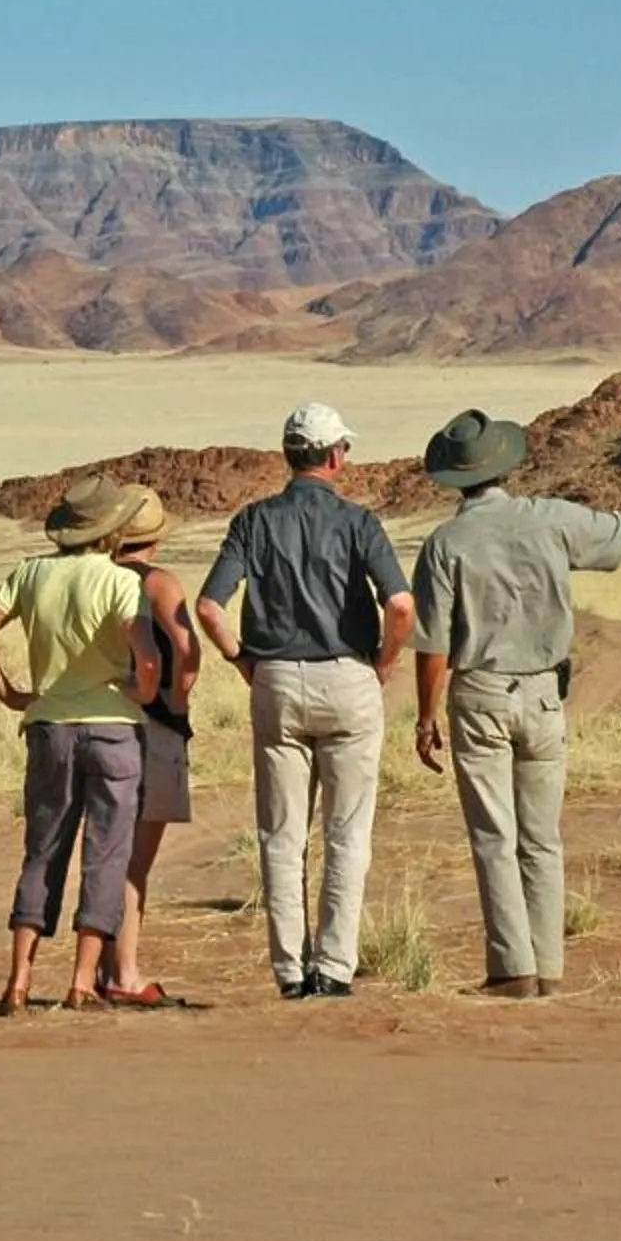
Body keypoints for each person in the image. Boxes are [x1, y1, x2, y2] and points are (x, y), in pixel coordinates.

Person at [410, 409, 621, 999]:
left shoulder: (444, 545)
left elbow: (434, 644)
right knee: (541, 838)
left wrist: (425, 716)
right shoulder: (551, 519)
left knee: (495, 835)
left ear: (452, 478)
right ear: (503, 465)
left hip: (482, 695)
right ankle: (548, 968)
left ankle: (511, 969)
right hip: (545, 695)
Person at [195, 402, 415, 999]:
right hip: (349, 677)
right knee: (348, 833)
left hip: (277, 681)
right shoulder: (358, 521)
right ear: (337, 456)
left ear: (289, 454)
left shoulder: (253, 521)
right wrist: (386, 663)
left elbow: (210, 606)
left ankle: (290, 971)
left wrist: (243, 660)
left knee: (281, 834)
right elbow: (400, 606)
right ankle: (335, 967)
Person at [0, 474, 163, 1015]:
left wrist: (11, 695)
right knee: (107, 855)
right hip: (114, 730)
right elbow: (147, 656)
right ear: (112, 530)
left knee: (43, 851)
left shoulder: (29, 574)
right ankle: (80, 982)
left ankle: (18, 980)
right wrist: (141, 693)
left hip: (48, 729)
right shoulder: (121, 582)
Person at [104, 490, 200, 1007]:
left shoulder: (99, 578)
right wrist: (177, 705)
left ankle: (97, 968)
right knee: (133, 864)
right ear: (158, 536)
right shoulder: (160, 584)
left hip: (99, 722)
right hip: (155, 725)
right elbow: (187, 651)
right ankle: (125, 973)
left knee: (105, 852)